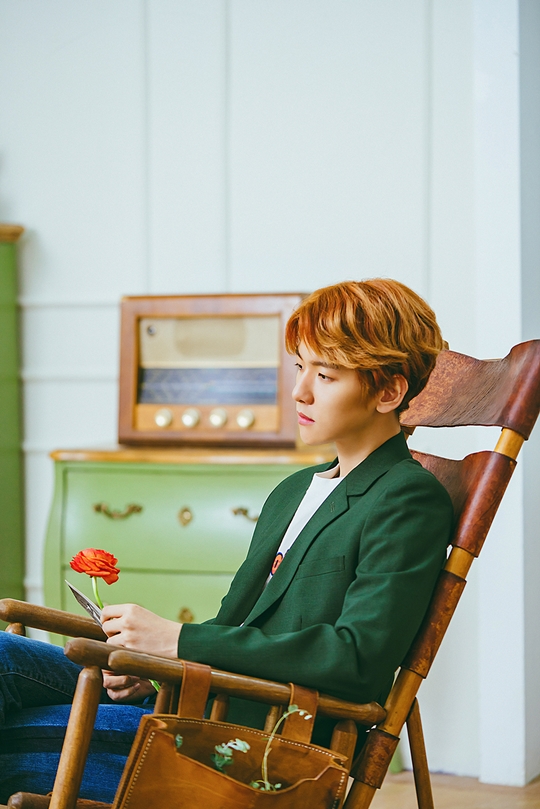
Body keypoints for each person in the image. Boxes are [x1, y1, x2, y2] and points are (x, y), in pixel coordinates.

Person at [0, 279, 453, 803]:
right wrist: (158, 673)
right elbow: (234, 627)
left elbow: (356, 660)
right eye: (299, 367)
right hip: (195, 702)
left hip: (248, 746)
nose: (299, 391)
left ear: (389, 392)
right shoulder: (293, 491)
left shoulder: (407, 499)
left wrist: (177, 641)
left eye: (325, 375)